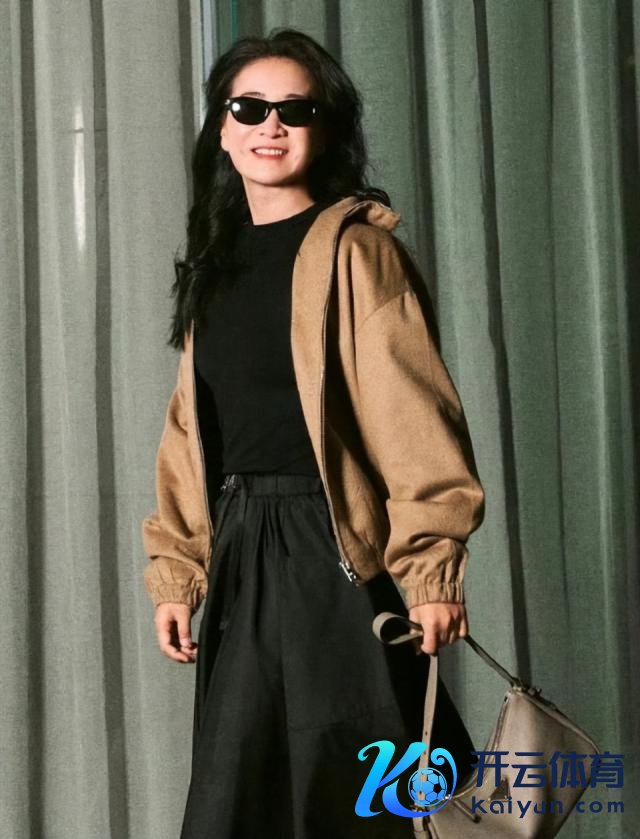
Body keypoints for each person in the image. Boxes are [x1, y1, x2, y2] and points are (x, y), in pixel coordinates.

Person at [141, 27, 485, 839]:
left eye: (296, 111)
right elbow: (192, 432)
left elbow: (413, 413)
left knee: (350, 794)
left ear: (325, 131)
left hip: (330, 549)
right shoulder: (215, 267)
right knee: (240, 800)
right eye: (250, 108)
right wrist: (178, 569)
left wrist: (431, 569)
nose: (271, 125)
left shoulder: (360, 253)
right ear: (221, 129)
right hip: (241, 551)